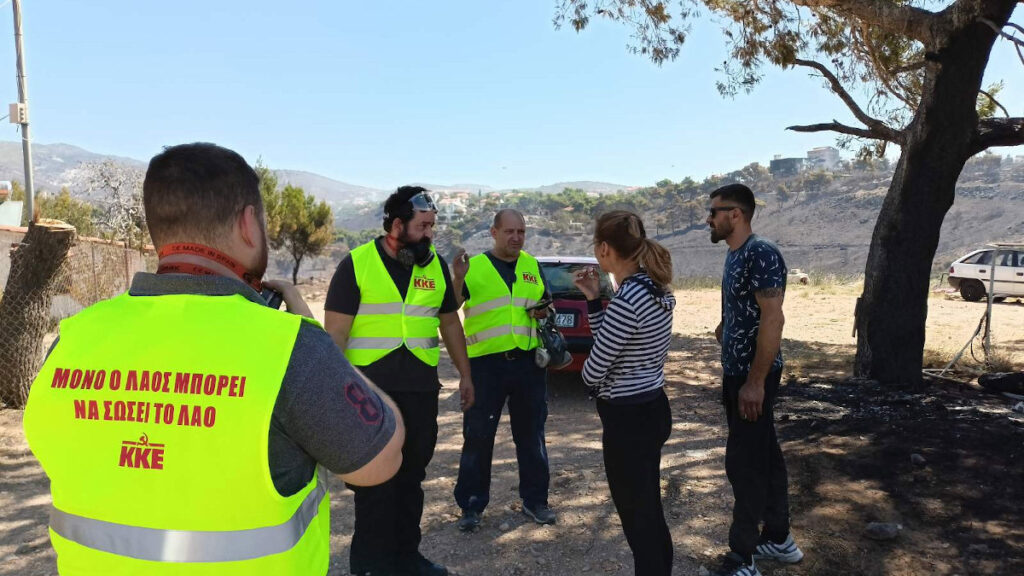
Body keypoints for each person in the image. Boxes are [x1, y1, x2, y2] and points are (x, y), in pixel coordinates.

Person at [22, 142, 405, 576]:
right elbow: (381, 460)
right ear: (248, 224)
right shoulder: (290, 347)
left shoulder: (73, 339)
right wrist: (314, 338)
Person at [324, 186, 474, 576]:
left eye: (432, 226)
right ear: (396, 225)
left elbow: (449, 325)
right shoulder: (356, 264)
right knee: (375, 484)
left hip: (420, 390)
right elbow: (335, 335)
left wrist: (466, 375)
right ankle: (371, 566)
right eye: (423, 226)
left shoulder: (436, 266)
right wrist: (337, 394)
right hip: (368, 393)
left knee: (412, 479)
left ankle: (407, 558)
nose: (430, 234)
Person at [573, 210, 676, 576]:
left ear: (604, 249)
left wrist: (586, 376)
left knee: (637, 514)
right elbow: (616, 340)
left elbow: (594, 370)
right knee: (647, 505)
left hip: (627, 421)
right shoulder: (652, 288)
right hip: (652, 406)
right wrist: (592, 298)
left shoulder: (628, 298)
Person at [707, 183, 803, 576]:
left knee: (743, 462)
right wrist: (725, 328)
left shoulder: (761, 252)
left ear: (736, 214)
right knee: (765, 454)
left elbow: (773, 318)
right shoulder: (736, 254)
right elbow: (746, 309)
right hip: (738, 374)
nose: (709, 219)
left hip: (752, 377)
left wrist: (755, 382)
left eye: (714, 212)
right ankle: (779, 539)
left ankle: (742, 557)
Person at [452, 209, 556, 532]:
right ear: (493, 232)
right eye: (509, 231)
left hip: (527, 365)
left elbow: (546, 304)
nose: (516, 238)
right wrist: (457, 278)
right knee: (478, 437)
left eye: (521, 232)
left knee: (532, 436)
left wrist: (543, 312)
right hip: (485, 366)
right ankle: (471, 505)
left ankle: (536, 501)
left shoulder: (531, 265)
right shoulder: (475, 267)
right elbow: (450, 306)